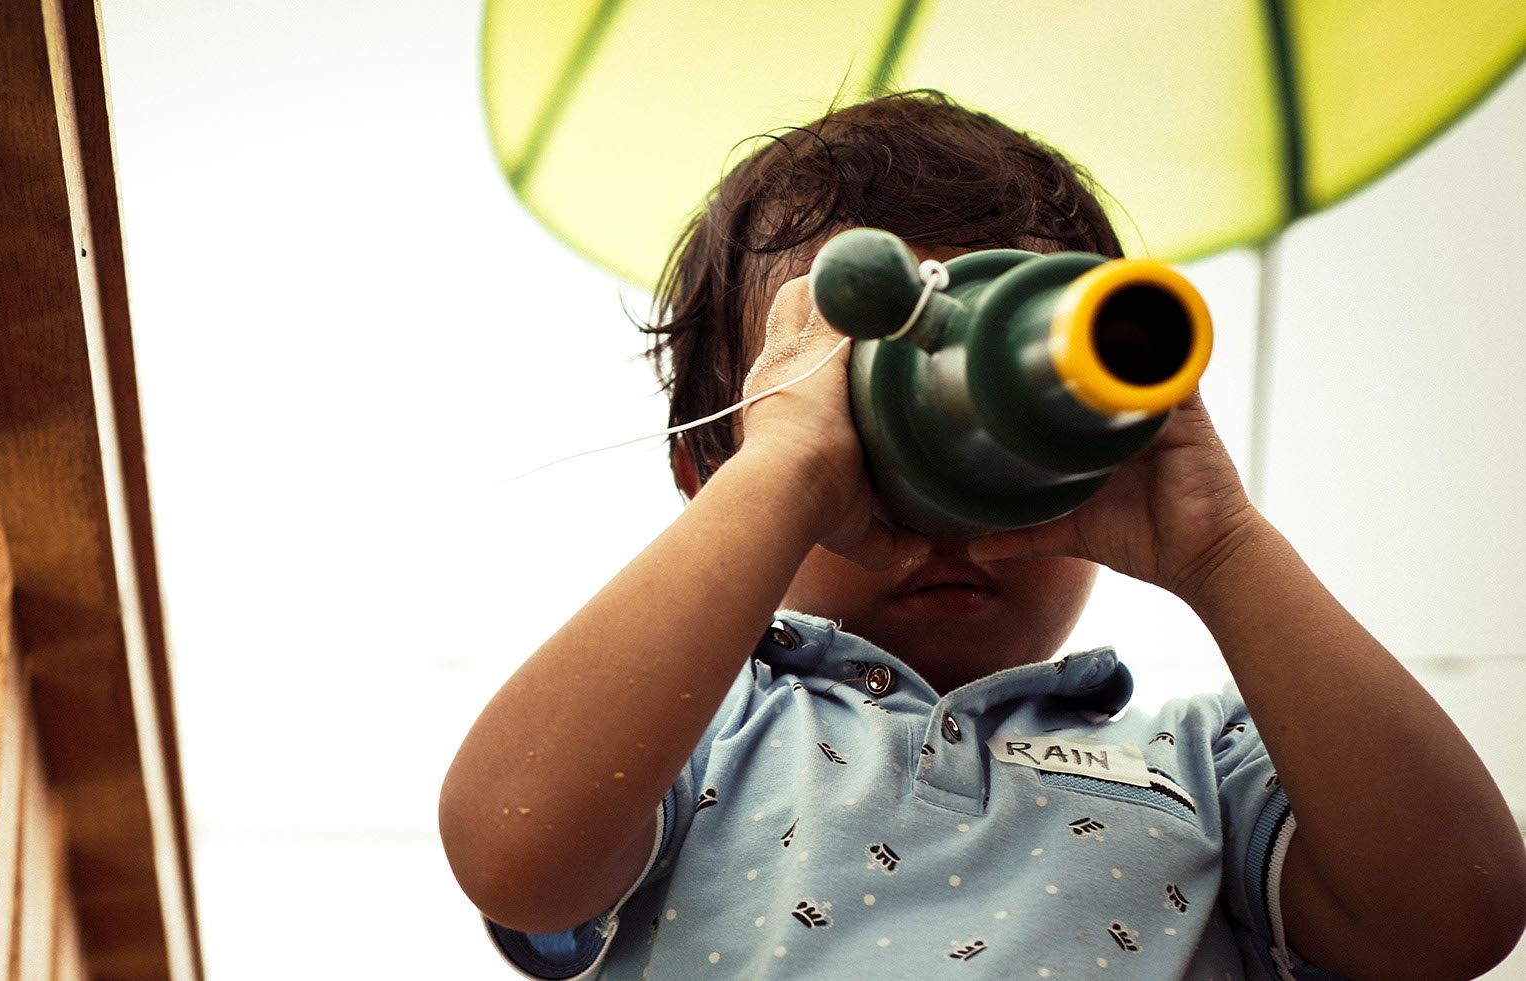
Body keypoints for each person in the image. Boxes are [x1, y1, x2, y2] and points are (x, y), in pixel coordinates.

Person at [439, 91, 1525, 979]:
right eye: (866, 429)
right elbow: (514, 848)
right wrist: (788, 471)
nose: (947, 503)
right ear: (711, 476)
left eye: (1011, 435)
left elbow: (1456, 916)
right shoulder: (686, 737)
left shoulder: (1210, 766)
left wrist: (1220, 547)